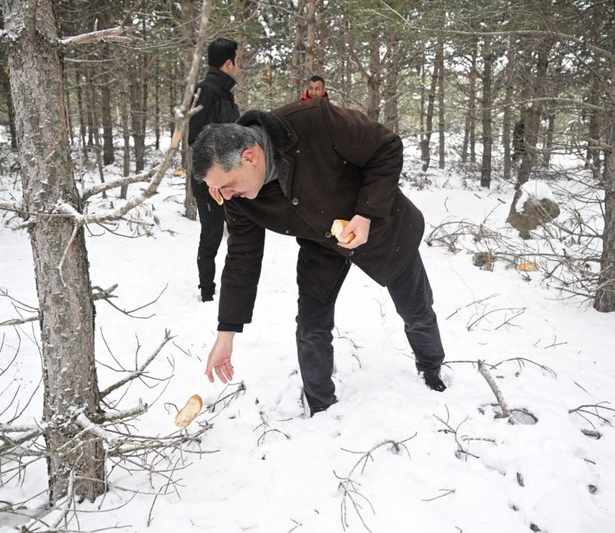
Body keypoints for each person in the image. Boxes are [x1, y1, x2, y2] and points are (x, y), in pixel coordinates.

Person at [191, 98, 448, 416]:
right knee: (311, 326)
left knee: (416, 310)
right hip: (320, 245)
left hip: (382, 229)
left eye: (227, 186)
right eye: (218, 190)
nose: (225, 196)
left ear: (250, 157)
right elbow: (242, 257)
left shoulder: (314, 122)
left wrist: (367, 214)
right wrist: (225, 333)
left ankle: (432, 370)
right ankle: (321, 405)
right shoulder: (238, 196)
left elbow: (386, 147)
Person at [187, 37, 241, 302]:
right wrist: (210, 178)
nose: (238, 67)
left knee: (238, 230)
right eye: (237, 61)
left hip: (230, 178)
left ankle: (234, 285)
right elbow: (196, 138)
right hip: (209, 179)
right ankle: (206, 292)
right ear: (228, 62)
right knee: (211, 232)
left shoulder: (225, 93)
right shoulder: (207, 91)